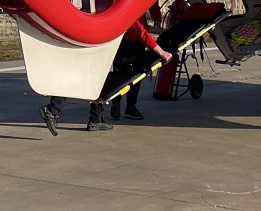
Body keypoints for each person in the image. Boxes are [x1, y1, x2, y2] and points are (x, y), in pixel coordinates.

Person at [40, 19, 172, 135]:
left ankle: (95, 119)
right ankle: (52, 109)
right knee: (80, 76)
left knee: (99, 79)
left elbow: (140, 28)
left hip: (96, 38)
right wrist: (161, 52)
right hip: (96, 40)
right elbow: (138, 29)